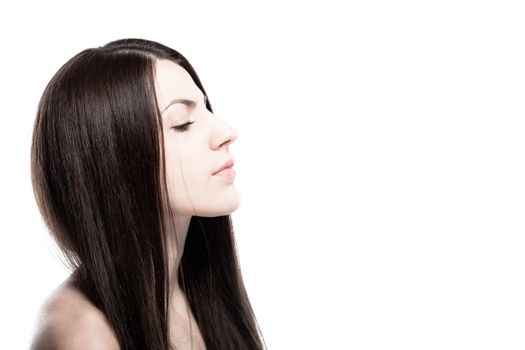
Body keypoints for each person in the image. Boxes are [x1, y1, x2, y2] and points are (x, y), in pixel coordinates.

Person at [29, 38, 266, 350]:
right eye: (183, 123)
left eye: (207, 108)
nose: (226, 131)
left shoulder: (195, 288)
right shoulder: (84, 335)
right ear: (115, 158)